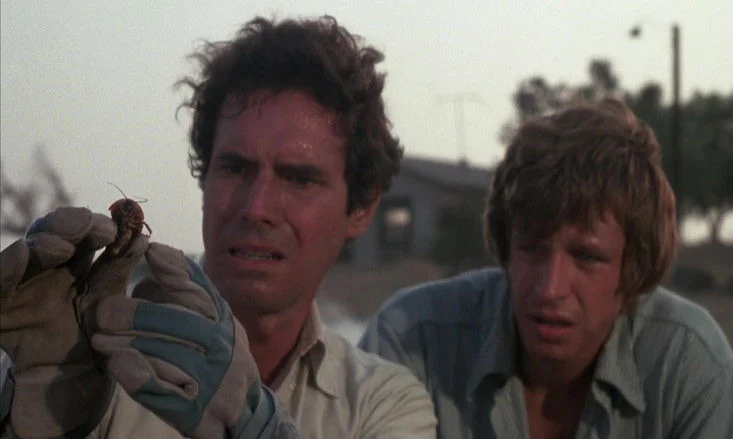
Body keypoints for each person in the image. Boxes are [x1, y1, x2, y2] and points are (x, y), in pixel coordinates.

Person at [0, 15, 436, 439]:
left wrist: (255, 426)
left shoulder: (383, 403)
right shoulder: (87, 357)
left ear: (360, 209)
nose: (256, 207)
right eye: (235, 168)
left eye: (300, 179)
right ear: (204, 178)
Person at [359, 98, 733, 438]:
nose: (550, 289)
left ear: (633, 268)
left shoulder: (686, 363)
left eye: (587, 257)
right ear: (506, 248)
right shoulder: (414, 340)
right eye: (532, 249)